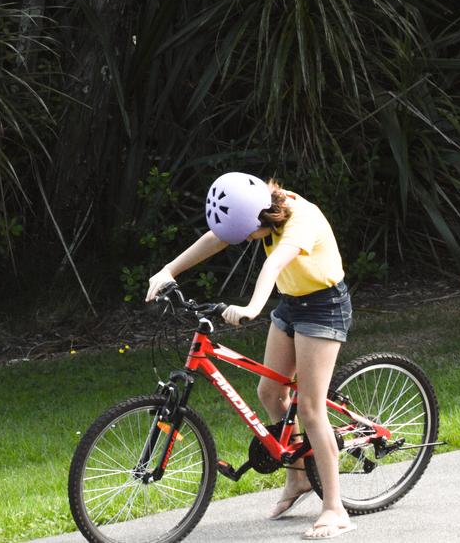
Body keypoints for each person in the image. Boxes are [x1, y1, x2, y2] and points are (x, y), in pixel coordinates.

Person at [145, 171, 355, 540]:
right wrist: (167, 271)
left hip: (324, 308)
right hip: (293, 303)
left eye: (246, 236)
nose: (243, 242)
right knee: (270, 392)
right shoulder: (258, 207)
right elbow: (217, 238)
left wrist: (252, 307)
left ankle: (335, 508)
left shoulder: (300, 220)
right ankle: (299, 477)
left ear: (259, 221)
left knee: (310, 408)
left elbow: (272, 266)